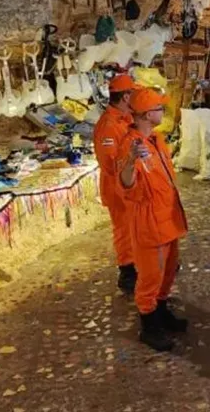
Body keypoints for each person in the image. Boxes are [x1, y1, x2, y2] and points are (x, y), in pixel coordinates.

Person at [118, 88, 189, 351]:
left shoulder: (156, 140)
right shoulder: (131, 146)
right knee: (150, 277)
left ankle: (160, 311)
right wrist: (130, 161)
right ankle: (149, 326)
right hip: (150, 223)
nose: (163, 111)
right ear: (148, 114)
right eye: (160, 108)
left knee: (168, 271)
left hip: (168, 218)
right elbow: (125, 183)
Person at [93, 74, 140, 294]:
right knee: (123, 229)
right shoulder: (108, 125)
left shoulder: (126, 117)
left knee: (135, 227)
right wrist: (131, 161)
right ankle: (127, 271)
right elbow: (109, 164)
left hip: (130, 184)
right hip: (117, 187)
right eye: (134, 93)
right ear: (125, 96)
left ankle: (143, 264)